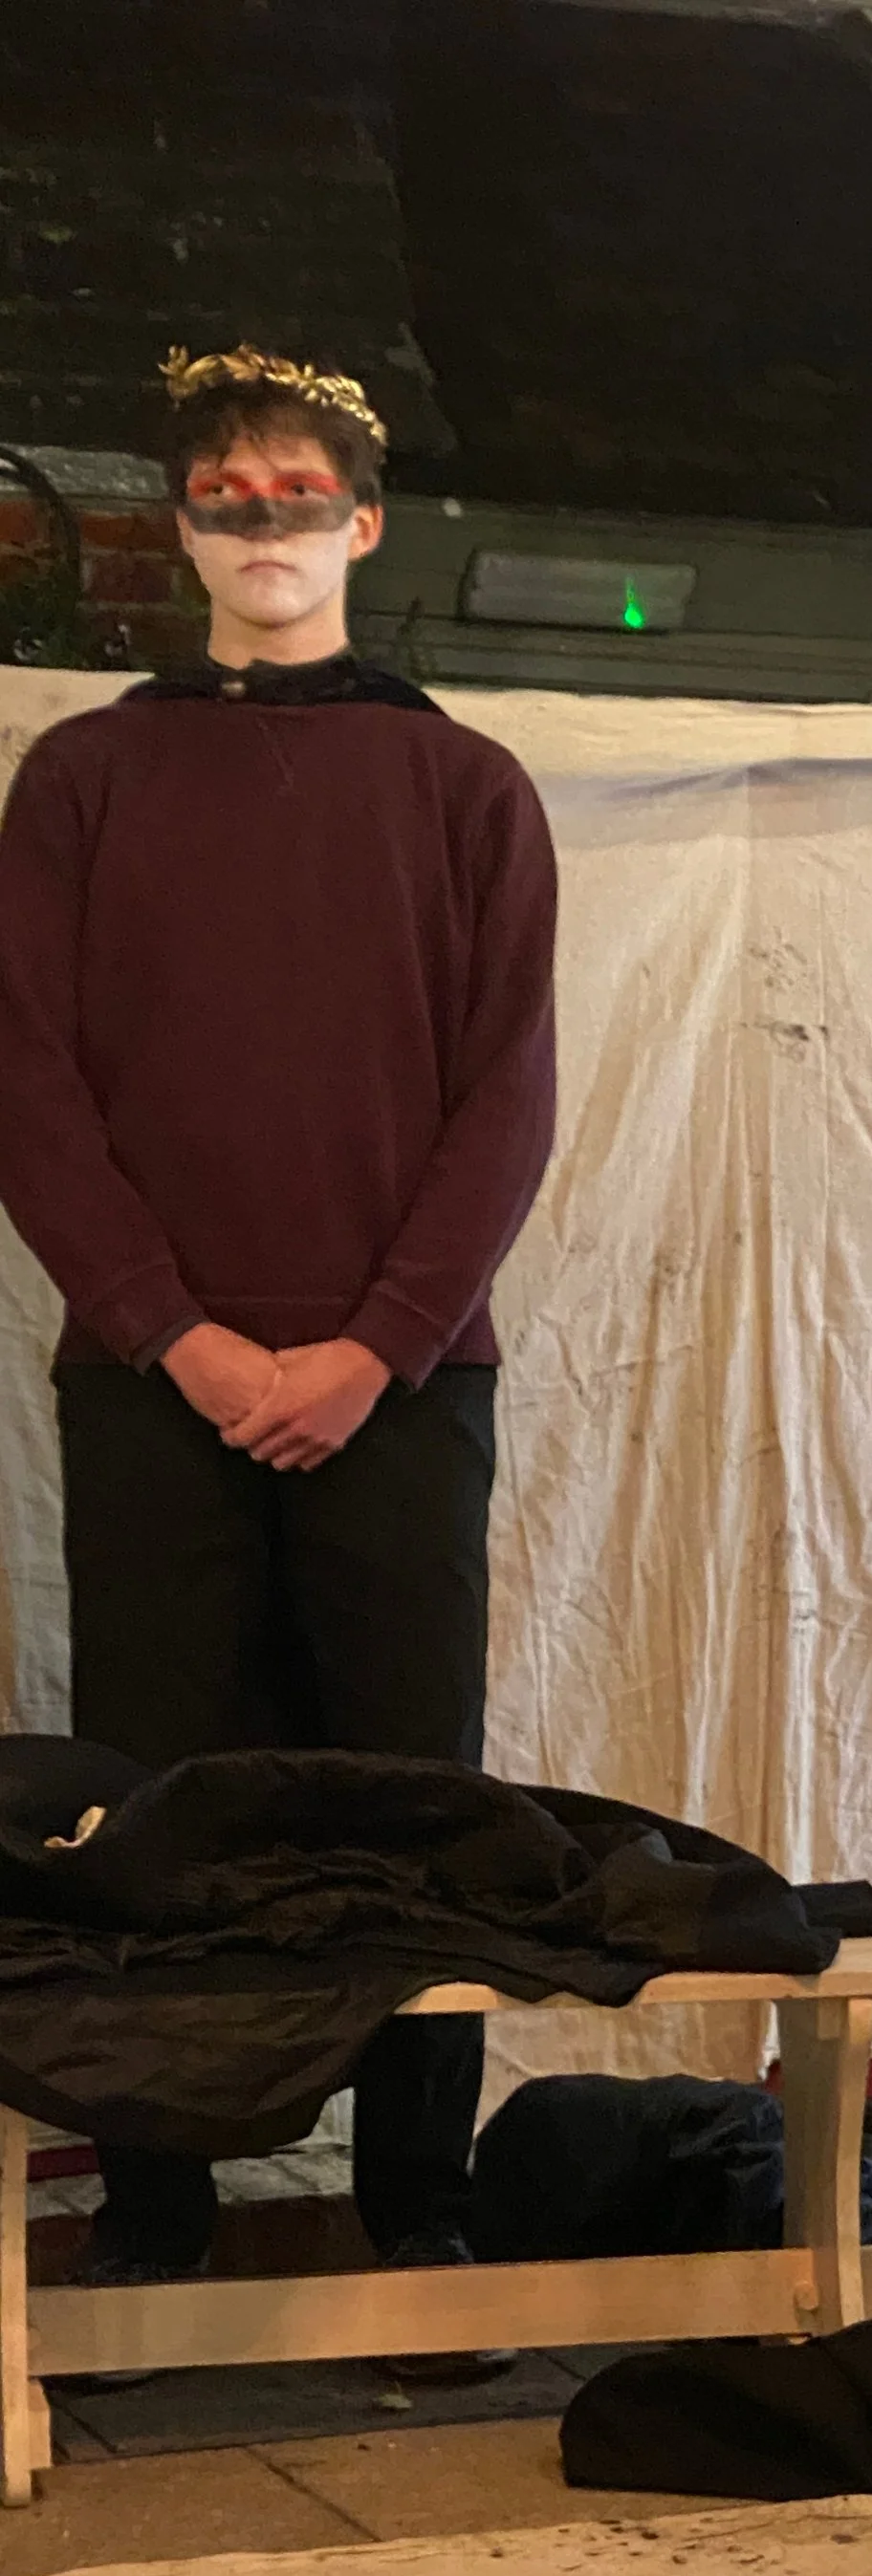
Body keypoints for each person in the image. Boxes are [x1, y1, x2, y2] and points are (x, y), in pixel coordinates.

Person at [0, 344, 557, 2297]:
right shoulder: (80, 782)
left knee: (418, 1808)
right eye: (223, 493)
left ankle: (421, 2204)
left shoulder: (468, 789)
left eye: (295, 491)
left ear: (363, 522)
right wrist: (177, 1333)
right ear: (181, 528)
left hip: (402, 1391)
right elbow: (28, 1085)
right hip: (152, 1389)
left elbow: (507, 1098)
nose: (261, 521)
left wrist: (376, 1345)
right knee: (155, 1806)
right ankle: (156, 2203)